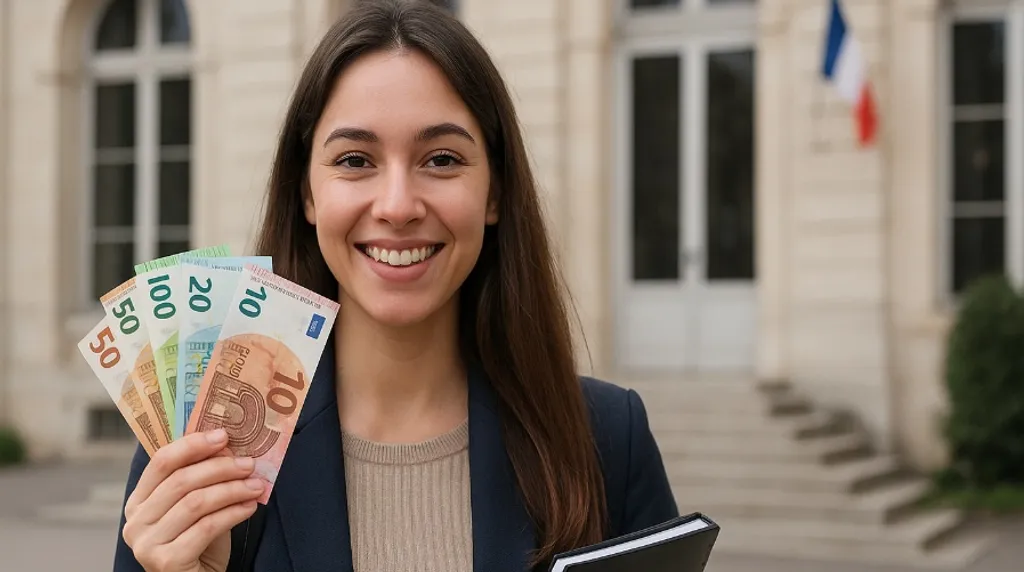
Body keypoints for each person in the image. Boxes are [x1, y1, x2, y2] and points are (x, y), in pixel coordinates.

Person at [112, 1, 678, 570]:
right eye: (356, 159)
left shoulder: (608, 439)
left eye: (442, 158)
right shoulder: (200, 446)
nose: (398, 206)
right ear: (307, 194)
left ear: (496, 192)